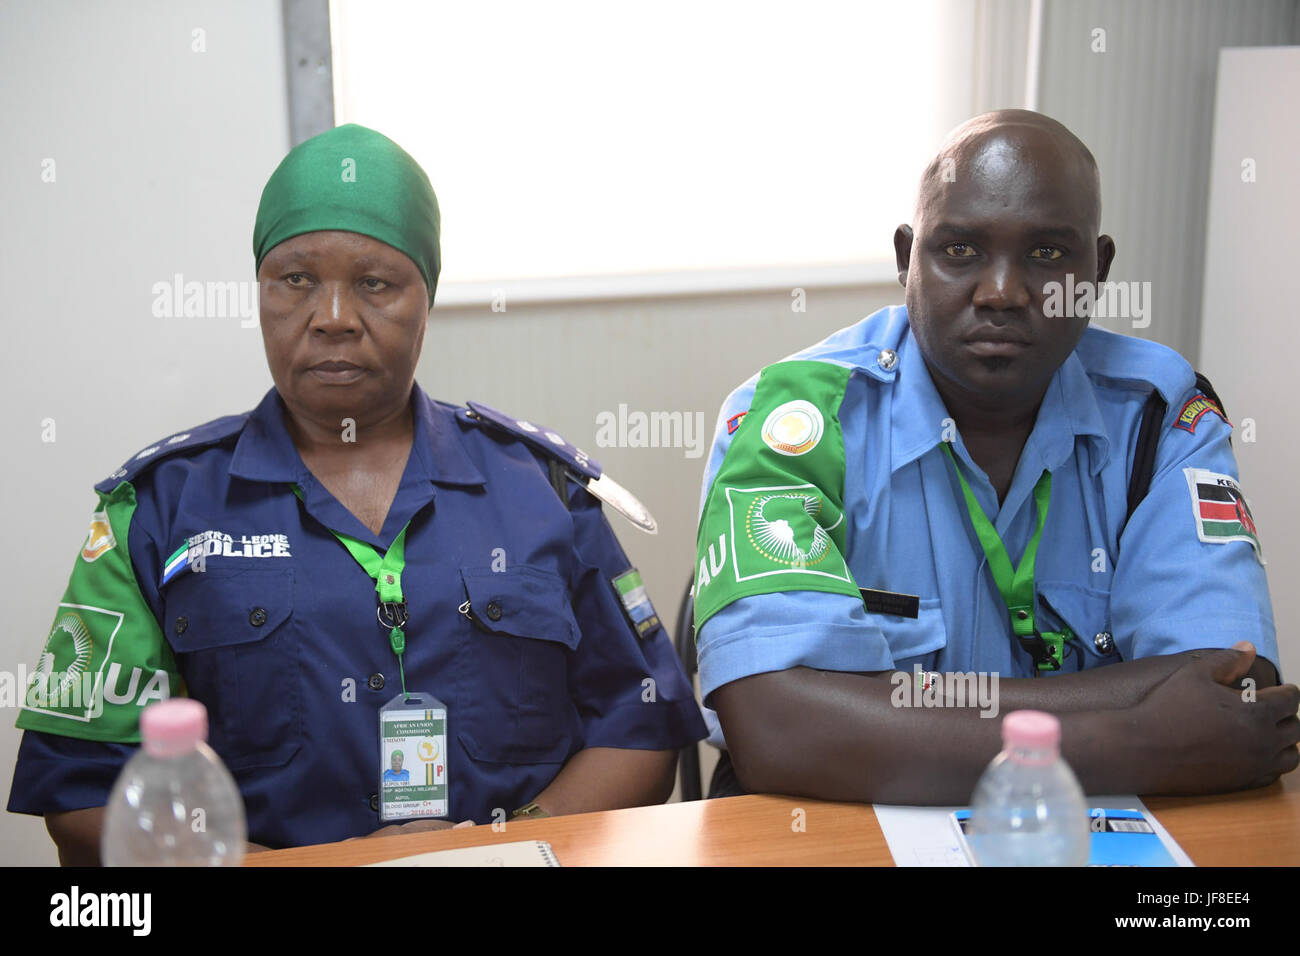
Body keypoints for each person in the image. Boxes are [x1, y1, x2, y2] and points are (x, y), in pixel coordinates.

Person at [8, 123, 706, 863]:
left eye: (375, 283)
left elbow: (639, 727)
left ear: (425, 300)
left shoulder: (541, 490)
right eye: (296, 279)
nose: (333, 316)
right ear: (260, 293)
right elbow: (81, 788)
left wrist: (501, 848)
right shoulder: (158, 509)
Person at [695, 109, 1298, 804]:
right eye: (960, 251)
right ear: (905, 257)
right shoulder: (795, 421)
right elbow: (780, 732)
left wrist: (881, 715)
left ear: (1096, 269)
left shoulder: (1160, 417)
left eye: (1046, 254)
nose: (1002, 292)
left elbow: (1236, 686)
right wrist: (1131, 738)